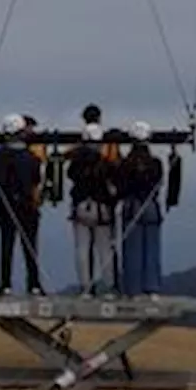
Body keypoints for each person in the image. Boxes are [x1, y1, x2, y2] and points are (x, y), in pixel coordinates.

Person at [0, 115, 42, 294]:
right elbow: (36, 179)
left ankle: (5, 284)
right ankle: (34, 284)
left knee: (7, 245)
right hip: (27, 205)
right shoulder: (31, 158)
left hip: (6, 204)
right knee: (30, 245)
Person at [67, 121, 117, 294]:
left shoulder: (75, 164)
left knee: (82, 248)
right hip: (101, 209)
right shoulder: (106, 164)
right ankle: (109, 286)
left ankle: (85, 287)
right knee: (104, 249)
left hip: (81, 207)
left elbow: (71, 176)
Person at [118, 122, 165, 298]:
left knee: (132, 250)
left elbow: (121, 187)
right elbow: (159, 182)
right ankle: (152, 288)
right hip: (151, 206)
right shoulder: (155, 163)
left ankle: (133, 289)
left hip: (132, 207)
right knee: (151, 248)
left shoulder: (126, 164)